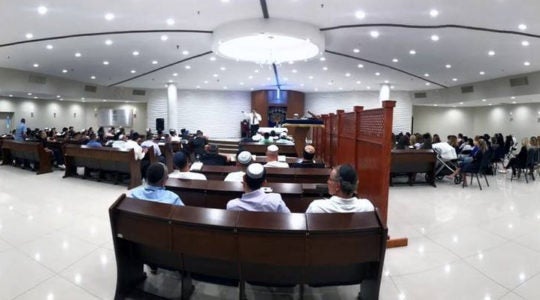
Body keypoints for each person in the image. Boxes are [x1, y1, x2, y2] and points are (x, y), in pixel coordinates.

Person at [306, 164, 374, 213]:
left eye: (330, 179)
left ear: (337, 186)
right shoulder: (367, 207)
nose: (327, 182)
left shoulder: (316, 207)